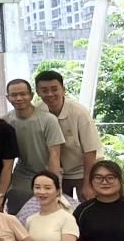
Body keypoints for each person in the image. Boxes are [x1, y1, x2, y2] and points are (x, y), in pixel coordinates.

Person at [35, 70, 102, 199]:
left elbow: (90, 151)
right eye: (44, 90)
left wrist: (88, 184)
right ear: (38, 92)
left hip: (83, 170)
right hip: (55, 172)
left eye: (54, 89)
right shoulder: (36, 111)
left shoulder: (79, 112)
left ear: (63, 89)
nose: (50, 94)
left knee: (88, 203)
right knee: (59, 206)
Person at [3, 78, 63, 214]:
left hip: (47, 170)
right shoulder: (5, 121)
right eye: (14, 95)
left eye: (23, 94)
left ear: (31, 95)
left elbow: (54, 154)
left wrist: (53, 183)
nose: (19, 98)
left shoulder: (48, 120)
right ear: (8, 98)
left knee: (49, 210)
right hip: (22, 172)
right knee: (16, 208)